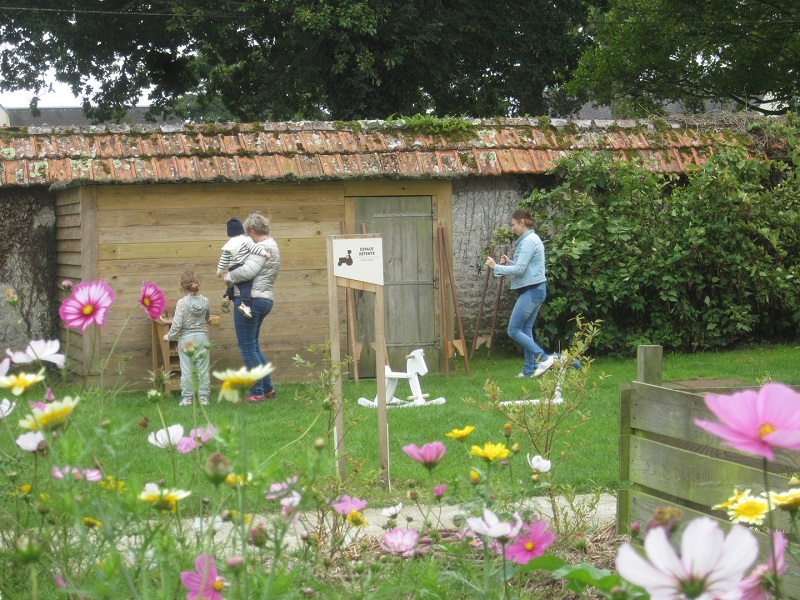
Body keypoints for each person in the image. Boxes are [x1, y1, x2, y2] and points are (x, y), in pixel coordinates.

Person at [485, 209, 555, 378]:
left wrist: (496, 267)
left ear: (522, 222)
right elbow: (525, 267)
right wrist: (509, 262)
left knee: (514, 330)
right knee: (525, 329)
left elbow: (520, 269)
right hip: (535, 290)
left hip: (532, 291)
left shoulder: (529, 241)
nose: (512, 228)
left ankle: (544, 358)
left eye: (513, 224)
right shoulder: (530, 239)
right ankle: (528, 370)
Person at [224, 212, 280, 402]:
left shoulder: (262, 247)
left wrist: (228, 277)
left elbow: (248, 271)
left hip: (250, 301)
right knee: (253, 347)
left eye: (248, 234)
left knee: (247, 349)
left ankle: (257, 392)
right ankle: (267, 389)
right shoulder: (272, 245)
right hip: (264, 299)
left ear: (253, 232)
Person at [164, 269, 211, 406]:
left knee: (187, 370)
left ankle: (187, 398)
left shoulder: (182, 303)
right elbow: (207, 317)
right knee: (203, 369)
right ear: (198, 284)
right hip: (202, 338)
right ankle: (203, 397)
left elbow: (177, 324)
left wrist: (169, 336)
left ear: (182, 288)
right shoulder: (205, 301)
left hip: (186, 340)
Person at [217, 217, 270, 319]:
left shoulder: (228, 245)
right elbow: (254, 248)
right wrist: (265, 253)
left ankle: (227, 297)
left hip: (232, 268)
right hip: (241, 266)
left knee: (232, 283)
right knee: (246, 286)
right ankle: (245, 305)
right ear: (241, 230)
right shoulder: (246, 240)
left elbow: (223, 259)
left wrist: (219, 271)